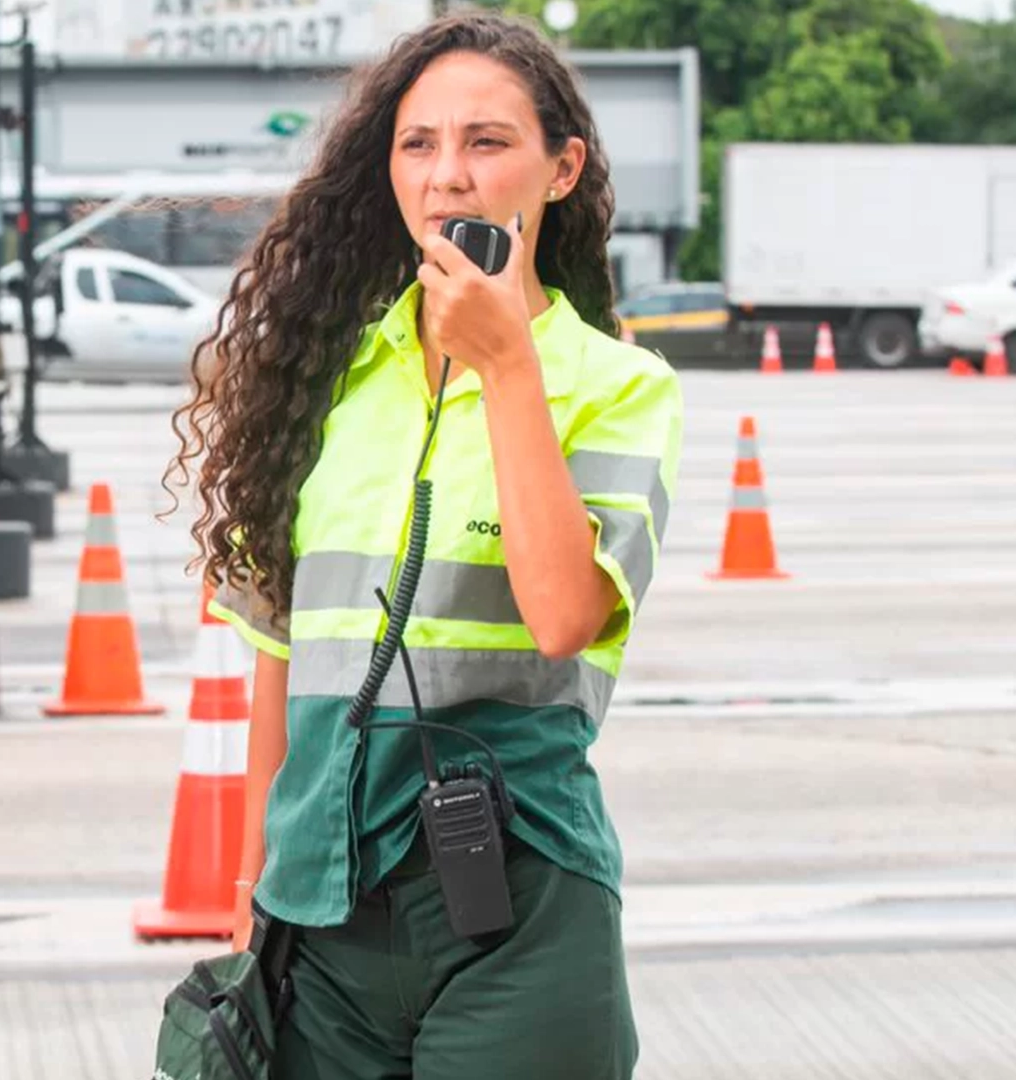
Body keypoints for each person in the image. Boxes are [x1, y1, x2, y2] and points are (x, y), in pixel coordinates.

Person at [165, 12, 682, 1078]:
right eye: (419, 145)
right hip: (319, 911)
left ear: (560, 169)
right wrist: (247, 892)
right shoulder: (323, 379)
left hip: (516, 903)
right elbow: (276, 657)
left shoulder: (620, 388)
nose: (449, 175)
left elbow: (563, 616)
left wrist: (507, 370)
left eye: (488, 143)